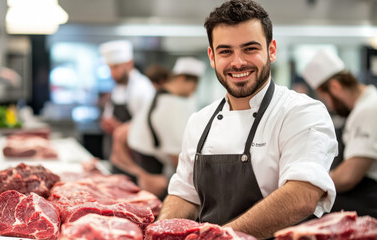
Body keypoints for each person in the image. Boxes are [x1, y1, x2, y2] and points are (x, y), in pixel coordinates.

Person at [156, 1, 338, 238]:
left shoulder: (301, 112)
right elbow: (184, 194)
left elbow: (302, 195)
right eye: (225, 51)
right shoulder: (199, 120)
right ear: (212, 56)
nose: (238, 62)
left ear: (271, 50)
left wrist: (219, 237)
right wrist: (159, 232)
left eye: (250, 49)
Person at [111, 57, 205, 199]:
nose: (194, 89)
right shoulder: (171, 104)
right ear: (182, 79)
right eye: (194, 84)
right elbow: (177, 158)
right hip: (155, 179)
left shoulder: (159, 97)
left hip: (147, 173)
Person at [302, 50, 377, 218]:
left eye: (325, 98)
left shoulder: (369, 109)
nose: (329, 106)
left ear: (335, 87)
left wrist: (309, 184)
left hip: (371, 200)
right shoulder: (366, 105)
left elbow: (349, 176)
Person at [99, 40, 155, 174]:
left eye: (116, 67)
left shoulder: (141, 88)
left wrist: (120, 128)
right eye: (110, 68)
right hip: (117, 156)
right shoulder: (117, 87)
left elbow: (147, 125)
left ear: (129, 63)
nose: (112, 72)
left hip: (135, 159)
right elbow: (109, 113)